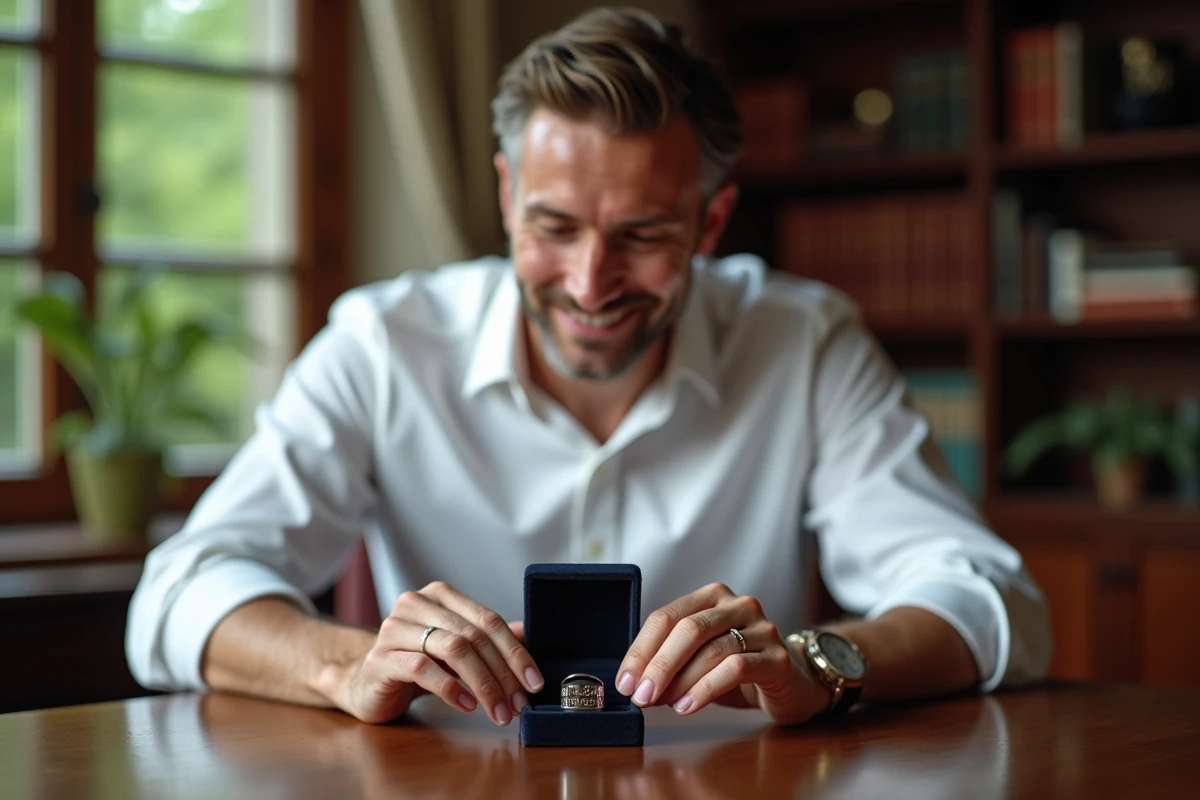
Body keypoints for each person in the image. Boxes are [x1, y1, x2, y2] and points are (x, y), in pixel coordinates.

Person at [126, 7, 1049, 728]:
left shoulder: (803, 342)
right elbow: (177, 594)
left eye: (642, 236)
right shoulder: (382, 342)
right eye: (554, 228)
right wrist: (346, 665)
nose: (589, 282)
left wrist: (816, 664)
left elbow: (991, 597)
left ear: (711, 223)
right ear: (504, 194)